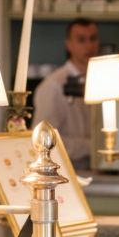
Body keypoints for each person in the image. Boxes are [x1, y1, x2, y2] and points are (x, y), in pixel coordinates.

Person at [32, 19, 100, 168]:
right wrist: (93, 145)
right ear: (69, 44)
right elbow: (42, 140)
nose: (89, 45)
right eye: (81, 40)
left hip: (98, 170)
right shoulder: (53, 86)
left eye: (93, 38)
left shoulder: (102, 81)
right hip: (65, 172)